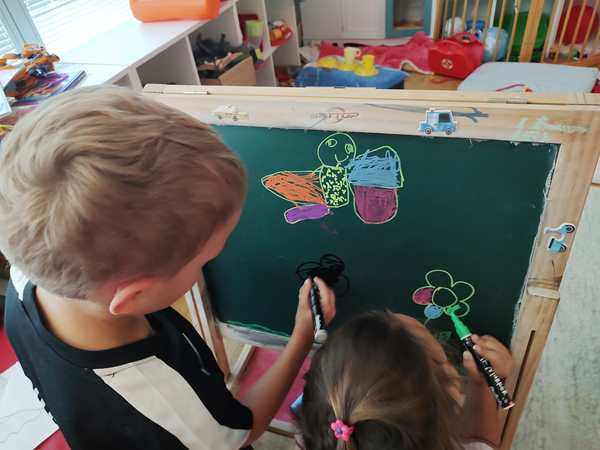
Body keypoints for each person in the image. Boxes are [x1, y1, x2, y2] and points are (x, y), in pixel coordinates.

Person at [0, 86, 336, 450]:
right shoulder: (169, 403)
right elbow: (241, 432)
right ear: (135, 296)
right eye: (207, 258)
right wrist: (302, 336)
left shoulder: (25, 275)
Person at [296, 311, 513, 450]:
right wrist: (483, 384)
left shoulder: (319, 438)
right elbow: (483, 445)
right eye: (441, 355)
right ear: (450, 395)